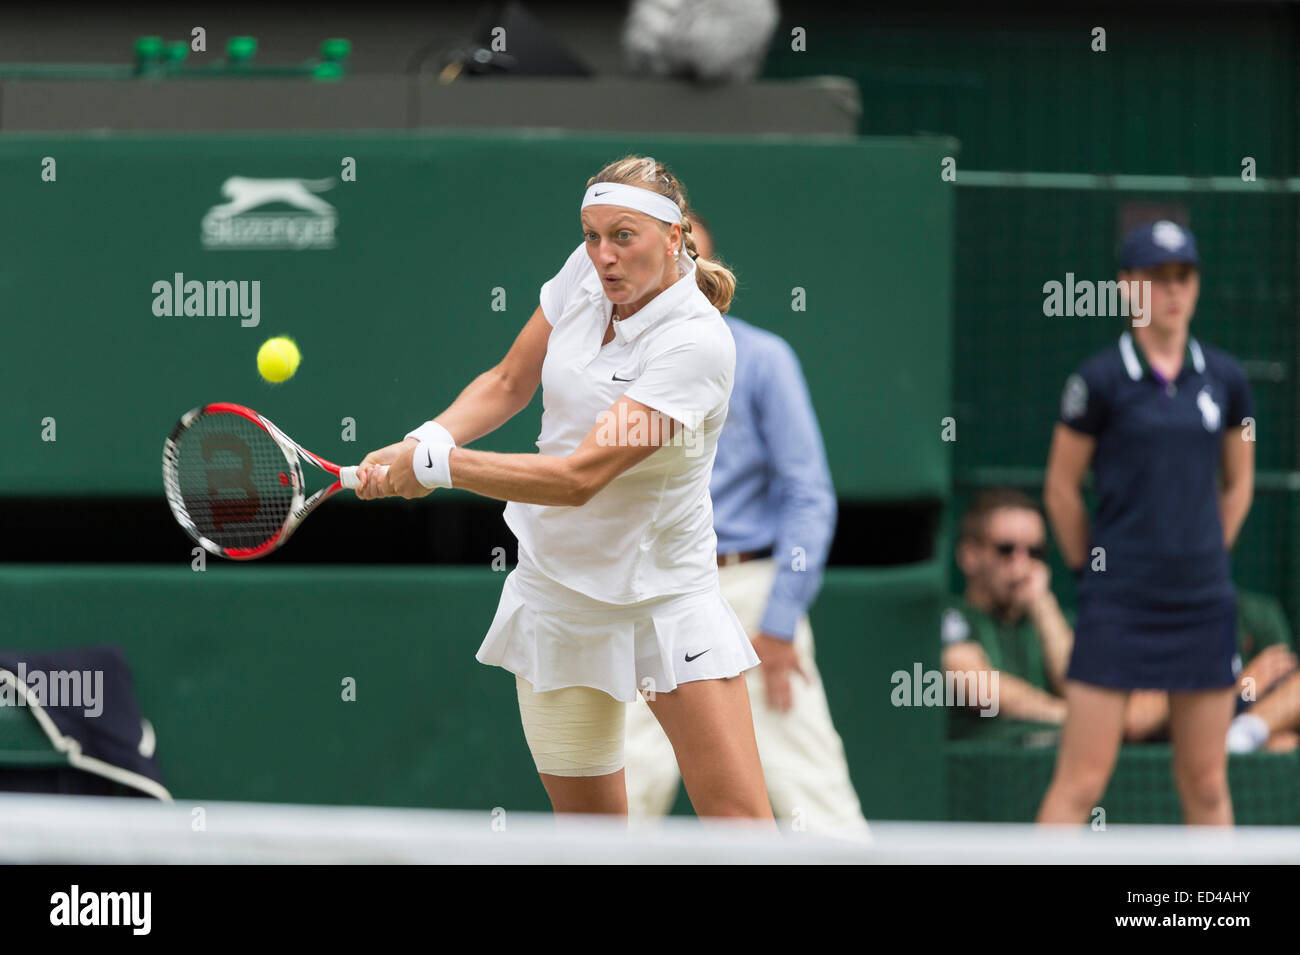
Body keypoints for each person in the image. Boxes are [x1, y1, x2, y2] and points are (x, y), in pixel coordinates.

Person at [354, 155, 774, 822]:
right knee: (588, 842)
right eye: (591, 234)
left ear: (674, 236)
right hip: (557, 594)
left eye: (624, 236)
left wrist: (438, 466)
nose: (603, 255)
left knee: (743, 829)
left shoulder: (698, 344)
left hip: (668, 600)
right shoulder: (586, 275)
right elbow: (507, 381)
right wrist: (422, 438)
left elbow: (579, 478)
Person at [621, 215, 870, 836]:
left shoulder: (763, 358)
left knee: (815, 801)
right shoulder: (617, 363)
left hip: (750, 596)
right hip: (646, 593)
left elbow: (808, 494)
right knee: (626, 791)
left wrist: (780, 622)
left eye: (685, 251)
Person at [1036, 220, 1256, 825]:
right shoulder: (1098, 379)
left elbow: (1239, 483)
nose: (1173, 290)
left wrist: (1207, 550)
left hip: (1203, 604)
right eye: (1157, 278)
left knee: (1208, 784)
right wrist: (1093, 567)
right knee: (1080, 783)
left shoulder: (1227, 379)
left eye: (1183, 276)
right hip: (1119, 603)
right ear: (1127, 286)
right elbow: (1060, 489)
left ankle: (1212, 919)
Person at [943, 488, 1174, 743]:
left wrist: (1043, 605)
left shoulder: (1051, 623)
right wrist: (1078, 720)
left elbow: (1081, 688)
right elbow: (978, 688)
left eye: (1035, 553)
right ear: (969, 555)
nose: (1022, 565)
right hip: (980, 771)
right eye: (1006, 550)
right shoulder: (950, 615)